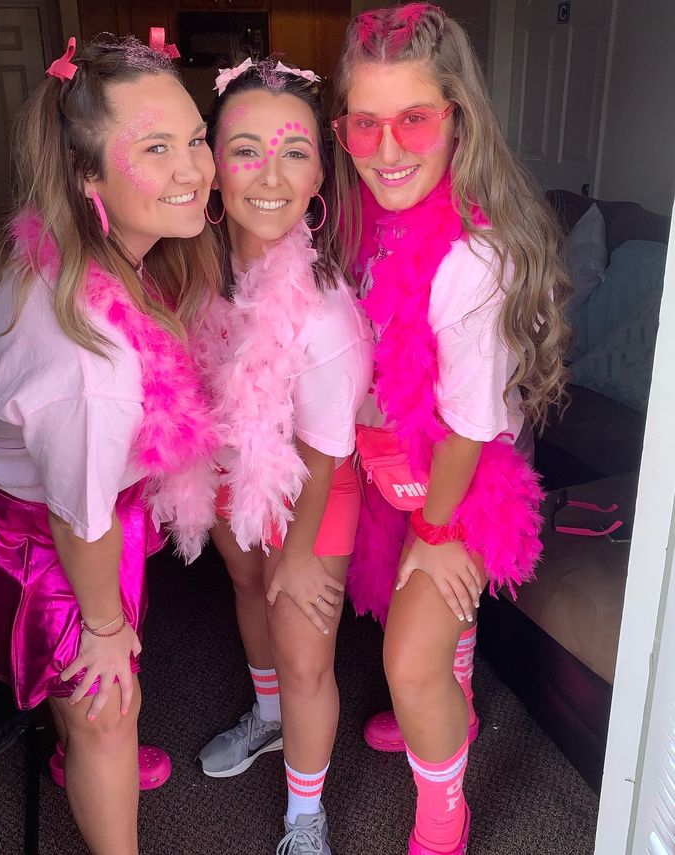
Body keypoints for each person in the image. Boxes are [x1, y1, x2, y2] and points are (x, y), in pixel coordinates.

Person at [0, 32, 220, 855]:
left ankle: (77, 743)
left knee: (95, 690)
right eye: (155, 149)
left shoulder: (75, 250)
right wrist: (102, 628)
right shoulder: (90, 357)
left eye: (195, 138)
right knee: (109, 702)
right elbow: (80, 519)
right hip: (38, 530)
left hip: (24, 484)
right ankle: (97, 769)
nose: (194, 169)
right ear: (86, 178)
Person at [330, 4, 570, 854]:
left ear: (456, 119)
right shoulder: (363, 222)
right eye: (366, 124)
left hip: (459, 482)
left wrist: (434, 532)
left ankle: (443, 817)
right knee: (431, 645)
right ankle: (448, 705)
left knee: (407, 655)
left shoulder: (474, 259)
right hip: (392, 461)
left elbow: (469, 426)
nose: (388, 149)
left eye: (414, 119)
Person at [191, 58, 373, 854]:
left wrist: (299, 552)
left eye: (293, 151)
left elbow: (327, 448)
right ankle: (266, 718)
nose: (269, 174)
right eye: (245, 149)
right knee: (247, 588)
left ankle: (305, 815)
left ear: (319, 176)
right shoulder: (189, 268)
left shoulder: (328, 314)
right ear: (211, 164)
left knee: (302, 643)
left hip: (313, 484)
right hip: (227, 469)